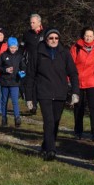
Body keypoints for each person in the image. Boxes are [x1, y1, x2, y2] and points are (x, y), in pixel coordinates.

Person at [25, 28, 80, 161]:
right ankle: (51, 150)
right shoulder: (37, 52)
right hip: (44, 92)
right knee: (48, 121)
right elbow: (30, 75)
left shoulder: (64, 53)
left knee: (55, 122)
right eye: (51, 38)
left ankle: (46, 145)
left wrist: (75, 92)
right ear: (46, 39)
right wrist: (29, 97)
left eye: (56, 38)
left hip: (60, 92)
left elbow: (73, 73)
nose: (54, 40)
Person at [70, 27, 94, 141]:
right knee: (78, 107)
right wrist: (69, 78)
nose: (88, 37)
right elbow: (70, 64)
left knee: (93, 107)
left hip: (93, 81)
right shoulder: (76, 47)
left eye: (90, 35)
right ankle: (78, 130)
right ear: (83, 36)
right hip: (78, 81)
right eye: (86, 35)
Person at [0, 37, 25, 127]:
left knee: (15, 100)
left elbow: (23, 67)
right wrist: (5, 70)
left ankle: (17, 118)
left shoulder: (19, 56)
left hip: (15, 82)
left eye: (15, 47)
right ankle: (4, 118)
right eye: (11, 47)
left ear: (17, 47)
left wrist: (22, 73)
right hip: (4, 82)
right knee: (4, 101)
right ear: (8, 47)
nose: (13, 49)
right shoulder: (3, 55)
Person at [21, 13, 44, 114]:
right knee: (30, 84)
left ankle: (39, 102)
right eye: (30, 22)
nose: (31, 24)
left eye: (33, 22)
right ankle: (32, 104)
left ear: (39, 23)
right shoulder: (27, 34)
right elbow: (22, 48)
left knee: (39, 85)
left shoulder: (46, 33)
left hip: (43, 64)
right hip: (30, 63)